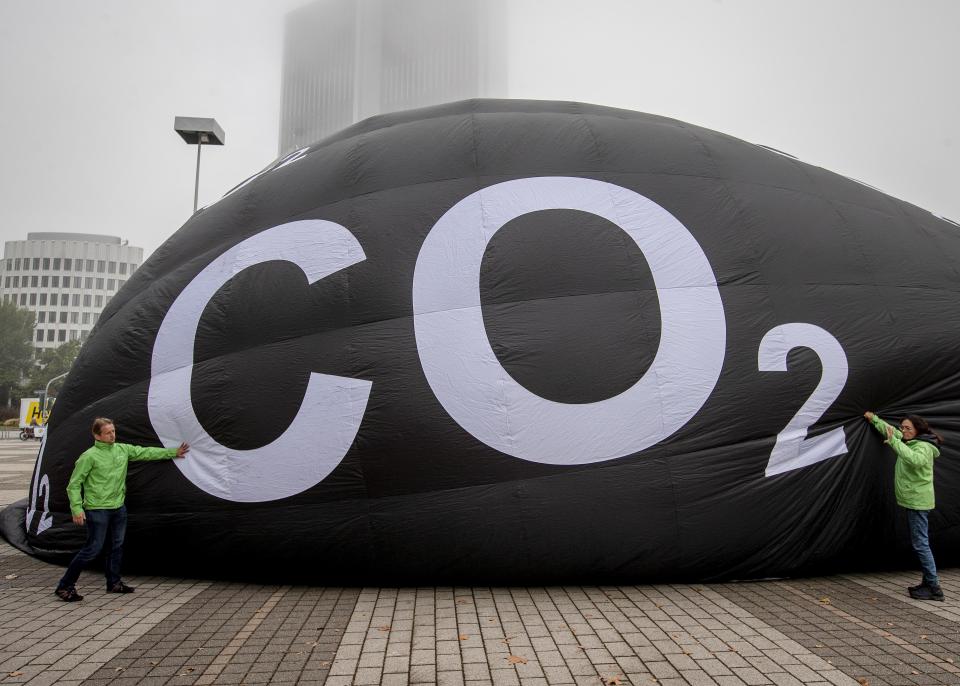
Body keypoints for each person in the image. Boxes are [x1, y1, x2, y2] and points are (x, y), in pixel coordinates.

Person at [54, 417, 189, 602]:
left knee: (116, 547)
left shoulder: (122, 449)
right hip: (97, 509)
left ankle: (114, 583)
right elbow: (74, 485)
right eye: (108, 432)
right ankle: (64, 586)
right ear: (97, 435)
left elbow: (146, 452)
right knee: (93, 549)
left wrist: (174, 452)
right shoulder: (89, 456)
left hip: (118, 508)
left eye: (113, 431)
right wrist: (77, 509)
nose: (112, 435)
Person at [864, 411, 944, 601]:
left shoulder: (923, 446)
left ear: (918, 429)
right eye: (903, 427)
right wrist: (874, 419)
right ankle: (928, 583)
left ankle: (934, 587)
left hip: (918, 502)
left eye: (908, 428)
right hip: (914, 500)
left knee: (921, 544)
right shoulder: (911, 440)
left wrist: (894, 442)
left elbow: (914, 460)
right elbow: (891, 432)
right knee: (921, 542)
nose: (904, 431)